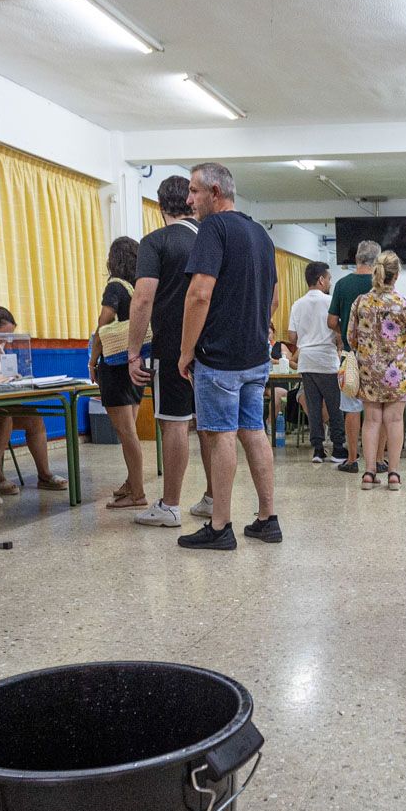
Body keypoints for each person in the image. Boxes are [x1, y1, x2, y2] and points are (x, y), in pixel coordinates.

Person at [177, 162, 282, 550]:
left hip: (219, 358)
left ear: (215, 192)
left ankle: (220, 526)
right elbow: (273, 299)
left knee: (220, 435)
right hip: (255, 356)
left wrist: (186, 351)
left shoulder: (213, 229)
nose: (189, 200)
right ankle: (267, 518)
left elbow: (199, 294)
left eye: (194, 191)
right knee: (254, 431)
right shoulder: (261, 234)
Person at [127, 176, 210, 528]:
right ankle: (211, 498)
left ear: (160, 206)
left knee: (174, 423)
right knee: (210, 425)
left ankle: (171, 505)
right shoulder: (211, 239)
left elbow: (143, 297)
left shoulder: (156, 241)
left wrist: (133, 352)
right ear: (191, 202)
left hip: (172, 345)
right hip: (212, 346)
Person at [0, 307, 66, 496]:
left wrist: (14, 377)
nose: (4, 341)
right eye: (2, 335)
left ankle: (44, 475)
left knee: (34, 418)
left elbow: (4, 373)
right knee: (3, 418)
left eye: (8, 337)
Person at [349, 251, 406, 491]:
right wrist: (401, 353)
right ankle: (394, 475)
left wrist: (369, 355)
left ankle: (369, 473)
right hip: (397, 372)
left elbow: (352, 337)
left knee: (371, 421)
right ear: (396, 275)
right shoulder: (405, 303)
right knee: (395, 420)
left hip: (369, 370)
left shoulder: (361, 302)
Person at [89, 236, 149, 510]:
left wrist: (93, 358)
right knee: (131, 430)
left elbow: (104, 321)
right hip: (137, 363)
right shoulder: (140, 287)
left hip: (115, 365)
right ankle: (131, 482)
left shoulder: (114, 286)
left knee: (126, 433)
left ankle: (137, 494)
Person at [288, 260, 347, 463]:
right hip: (326, 360)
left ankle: (318, 450)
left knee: (313, 408)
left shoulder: (297, 304)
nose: (330, 281)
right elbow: (338, 332)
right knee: (334, 406)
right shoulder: (329, 301)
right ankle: (339, 449)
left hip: (306, 361)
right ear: (321, 279)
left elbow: (292, 338)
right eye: (329, 278)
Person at [328, 242, 378, 474]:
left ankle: (351, 459)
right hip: (378, 356)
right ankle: (378, 459)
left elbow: (331, 321)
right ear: (376, 261)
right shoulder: (379, 284)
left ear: (356, 258)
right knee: (378, 407)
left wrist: (346, 334)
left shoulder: (341, 284)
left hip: (350, 354)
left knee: (351, 408)